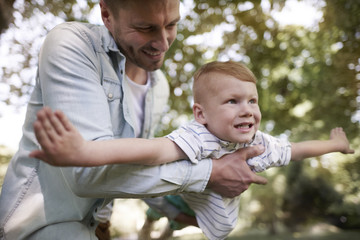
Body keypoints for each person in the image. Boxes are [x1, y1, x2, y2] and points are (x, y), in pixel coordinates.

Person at [0, 1, 267, 239]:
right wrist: (210, 174)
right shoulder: (72, 44)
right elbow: (86, 176)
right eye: (145, 27)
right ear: (106, 14)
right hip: (43, 226)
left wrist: (181, 214)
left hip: (98, 226)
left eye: (172, 24)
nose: (163, 43)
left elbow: (137, 171)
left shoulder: (158, 86)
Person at [29, 61, 355, 239]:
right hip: (186, 187)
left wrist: (335, 145)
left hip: (217, 207)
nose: (247, 110)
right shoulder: (198, 136)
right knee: (148, 177)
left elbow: (297, 149)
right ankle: (169, 207)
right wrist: (84, 152)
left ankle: (181, 216)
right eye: (232, 101)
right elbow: (151, 149)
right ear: (201, 114)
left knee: (223, 228)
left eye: (252, 101)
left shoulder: (260, 144)